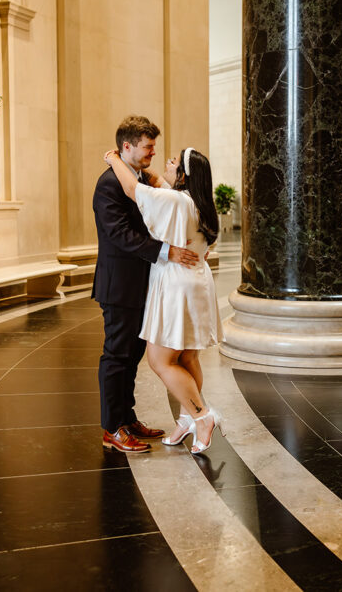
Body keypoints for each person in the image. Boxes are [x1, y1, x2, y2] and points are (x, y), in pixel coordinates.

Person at [102, 144, 224, 454]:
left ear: (183, 175)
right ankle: (185, 419)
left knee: (160, 360)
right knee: (187, 357)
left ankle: (202, 415)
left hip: (175, 285)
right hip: (197, 280)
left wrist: (113, 158)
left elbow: (133, 188)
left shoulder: (175, 201)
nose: (166, 164)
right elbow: (156, 181)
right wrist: (149, 169)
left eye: (173, 162)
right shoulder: (198, 202)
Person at [92, 116, 199, 453]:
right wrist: (168, 252)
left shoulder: (140, 178)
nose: (153, 151)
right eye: (148, 146)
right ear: (127, 146)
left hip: (145, 283)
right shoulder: (109, 183)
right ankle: (112, 428)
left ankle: (127, 417)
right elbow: (120, 235)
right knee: (117, 356)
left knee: (133, 355)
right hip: (120, 285)